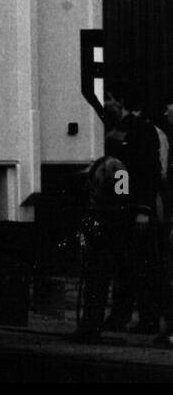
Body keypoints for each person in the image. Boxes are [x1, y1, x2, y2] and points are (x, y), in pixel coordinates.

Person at [104, 79, 169, 341]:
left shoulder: (140, 130)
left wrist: (143, 208)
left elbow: (149, 172)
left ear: (119, 100)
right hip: (124, 207)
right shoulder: (123, 129)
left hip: (135, 207)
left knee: (141, 264)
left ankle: (147, 317)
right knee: (125, 264)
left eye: (108, 98)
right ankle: (124, 315)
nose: (106, 103)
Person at [74, 132, 132, 341]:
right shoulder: (111, 166)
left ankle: (91, 325)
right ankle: (90, 324)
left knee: (97, 278)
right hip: (107, 222)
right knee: (95, 278)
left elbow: (120, 196)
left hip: (107, 223)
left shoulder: (113, 166)